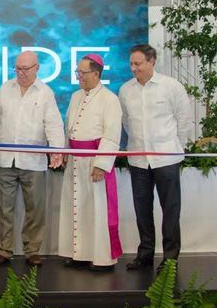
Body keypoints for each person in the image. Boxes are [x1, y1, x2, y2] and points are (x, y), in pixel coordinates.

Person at [0, 51, 64, 267]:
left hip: (34, 161)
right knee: (5, 208)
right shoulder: (5, 89)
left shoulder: (45, 93)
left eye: (25, 69)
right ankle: (4, 249)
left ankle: (32, 250)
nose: (21, 73)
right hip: (5, 160)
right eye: (17, 68)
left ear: (37, 68)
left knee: (35, 208)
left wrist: (57, 151)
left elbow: (54, 124)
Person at [119, 44, 191, 272]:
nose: (134, 68)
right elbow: (126, 123)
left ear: (152, 62)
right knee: (142, 209)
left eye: (138, 64)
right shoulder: (126, 90)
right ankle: (145, 254)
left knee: (170, 210)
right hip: (138, 159)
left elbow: (184, 121)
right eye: (131, 64)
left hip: (166, 158)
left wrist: (177, 147)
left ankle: (170, 258)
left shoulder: (171, 87)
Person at [58, 53, 123, 272]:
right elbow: (70, 126)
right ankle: (80, 254)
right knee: (77, 209)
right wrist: (65, 151)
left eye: (82, 72)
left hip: (94, 162)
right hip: (75, 161)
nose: (79, 76)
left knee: (96, 211)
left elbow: (112, 134)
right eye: (77, 72)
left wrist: (102, 164)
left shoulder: (109, 99)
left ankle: (102, 258)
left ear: (96, 73)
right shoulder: (76, 96)